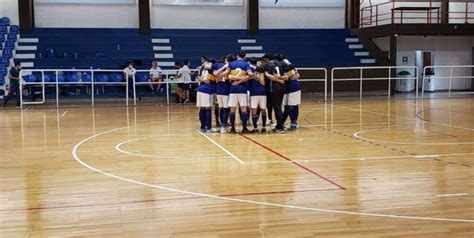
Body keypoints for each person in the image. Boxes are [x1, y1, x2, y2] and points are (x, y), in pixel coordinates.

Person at [261, 53, 287, 134]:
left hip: (274, 88)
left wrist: (268, 75)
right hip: (282, 88)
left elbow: (270, 77)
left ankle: (280, 127)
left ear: (267, 59)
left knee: (277, 108)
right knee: (278, 106)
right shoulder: (281, 64)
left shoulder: (267, 65)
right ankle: (280, 124)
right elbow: (286, 77)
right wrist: (280, 79)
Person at [228, 51, 253, 134]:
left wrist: (236, 80)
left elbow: (228, 76)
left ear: (237, 55)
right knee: (243, 110)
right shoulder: (246, 64)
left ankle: (232, 128)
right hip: (242, 89)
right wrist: (241, 80)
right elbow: (250, 75)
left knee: (232, 110)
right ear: (244, 57)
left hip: (233, 89)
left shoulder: (231, 64)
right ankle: (244, 128)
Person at [278, 55, 301, 130]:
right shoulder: (290, 64)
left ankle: (281, 123)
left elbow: (287, 77)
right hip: (297, 86)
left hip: (290, 88)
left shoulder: (283, 65)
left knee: (288, 106)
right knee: (295, 105)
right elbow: (298, 75)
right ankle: (294, 123)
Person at [213, 54, 233, 133]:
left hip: (218, 90)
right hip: (226, 90)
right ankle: (223, 126)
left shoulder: (217, 65)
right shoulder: (229, 66)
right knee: (226, 109)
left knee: (221, 108)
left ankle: (222, 125)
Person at [196, 58, 217, 133]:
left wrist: (202, 80)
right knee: (208, 108)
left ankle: (202, 127)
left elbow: (198, 77)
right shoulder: (210, 68)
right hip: (206, 90)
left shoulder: (202, 67)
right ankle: (208, 128)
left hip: (200, 89)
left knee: (202, 108)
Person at [248, 58, 268, 133]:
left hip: (254, 93)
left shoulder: (250, 70)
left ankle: (256, 128)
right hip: (262, 92)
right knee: (263, 110)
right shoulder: (262, 70)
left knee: (254, 111)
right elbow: (264, 83)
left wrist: (256, 77)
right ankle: (264, 127)